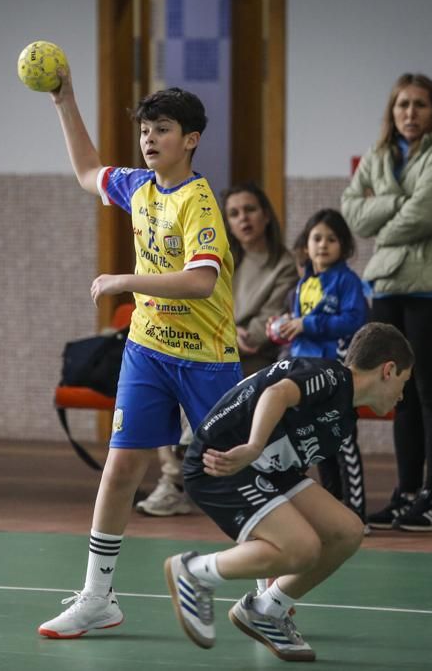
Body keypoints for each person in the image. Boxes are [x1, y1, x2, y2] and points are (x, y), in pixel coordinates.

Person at [36, 68, 241, 639]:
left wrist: (125, 281)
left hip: (207, 356)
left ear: (191, 139)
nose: (150, 139)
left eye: (164, 129)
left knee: (234, 472)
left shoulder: (198, 204)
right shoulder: (138, 187)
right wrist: (65, 99)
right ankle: (98, 596)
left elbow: (201, 282)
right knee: (123, 465)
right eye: (146, 129)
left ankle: (266, 584)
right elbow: (85, 171)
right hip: (148, 349)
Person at [164, 322, 412, 661]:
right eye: (403, 383)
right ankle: (195, 573)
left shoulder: (344, 416)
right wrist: (252, 446)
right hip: (224, 461)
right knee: (303, 548)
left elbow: (288, 476)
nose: (402, 395)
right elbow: (276, 393)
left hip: (268, 469)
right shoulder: (328, 376)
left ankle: (268, 609)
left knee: (346, 530)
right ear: (389, 370)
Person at [341, 73, 432, 532]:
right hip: (389, 285)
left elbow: (426, 215)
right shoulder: (380, 154)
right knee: (400, 395)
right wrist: (400, 202)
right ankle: (404, 493)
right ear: (392, 111)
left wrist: (387, 214)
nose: (410, 113)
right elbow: (352, 213)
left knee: (431, 393)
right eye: (402, 105)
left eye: (420, 105)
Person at [134, 183, 297, 518]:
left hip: (252, 360)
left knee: (203, 396)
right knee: (167, 387)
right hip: (206, 348)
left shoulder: (283, 264)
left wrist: (227, 330)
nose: (243, 219)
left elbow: (262, 329)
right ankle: (176, 482)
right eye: (234, 213)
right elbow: (193, 304)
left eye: (250, 209)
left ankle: (179, 483)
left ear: (265, 215)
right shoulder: (218, 257)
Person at [275, 208, 368, 521]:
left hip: (334, 372)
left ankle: (356, 512)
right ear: (305, 246)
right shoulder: (304, 284)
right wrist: (287, 326)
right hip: (304, 370)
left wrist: (307, 324)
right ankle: (330, 508)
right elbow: (303, 323)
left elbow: (354, 320)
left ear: (344, 246)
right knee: (316, 441)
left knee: (343, 440)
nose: (323, 244)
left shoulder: (347, 281)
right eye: (317, 238)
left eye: (332, 239)